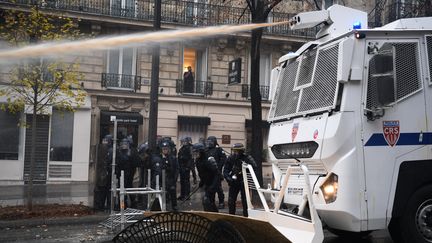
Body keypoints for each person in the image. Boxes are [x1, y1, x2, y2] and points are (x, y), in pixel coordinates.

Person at [223, 143, 257, 217]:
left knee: (245, 201)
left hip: (244, 182)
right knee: (231, 201)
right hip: (233, 182)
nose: (235, 153)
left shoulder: (247, 158)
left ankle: (246, 217)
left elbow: (254, 167)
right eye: (234, 151)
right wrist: (229, 178)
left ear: (241, 151)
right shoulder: (230, 158)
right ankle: (232, 217)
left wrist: (246, 166)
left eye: (237, 151)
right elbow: (225, 171)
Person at [193, 143, 220, 212]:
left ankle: (215, 216)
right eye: (194, 152)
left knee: (207, 201)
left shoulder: (208, 161)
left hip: (212, 183)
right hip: (206, 183)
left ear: (201, 152)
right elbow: (202, 173)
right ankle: (211, 215)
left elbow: (216, 174)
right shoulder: (197, 161)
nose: (195, 154)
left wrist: (213, 186)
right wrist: (202, 182)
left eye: (196, 152)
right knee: (207, 202)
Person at [205, 136, 226, 209]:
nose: (209, 143)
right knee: (211, 188)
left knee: (218, 188)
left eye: (211, 141)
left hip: (217, 172)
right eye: (208, 141)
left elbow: (224, 158)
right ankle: (212, 202)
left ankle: (221, 202)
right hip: (208, 173)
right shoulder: (206, 150)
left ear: (214, 142)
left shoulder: (218, 149)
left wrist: (218, 166)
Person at [94, 134, 113, 211]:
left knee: (105, 191)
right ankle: (104, 206)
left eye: (106, 140)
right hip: (105, 173)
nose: (104, 142)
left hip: (106, 174)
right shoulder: (104, 149)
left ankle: (103, 206)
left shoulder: (109, 150)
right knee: (105, 191)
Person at [159, 141, 179, 211]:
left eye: (166, 149)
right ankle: (164, 206)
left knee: (173, 193)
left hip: (171, 179)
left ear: (169, 149)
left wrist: (174, 180)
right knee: (163, 194)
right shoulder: (160, 158)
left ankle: (174, 206)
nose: (165, 150)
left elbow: (176, 169)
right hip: (162, 179)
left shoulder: (173, 158)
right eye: (163, 149)